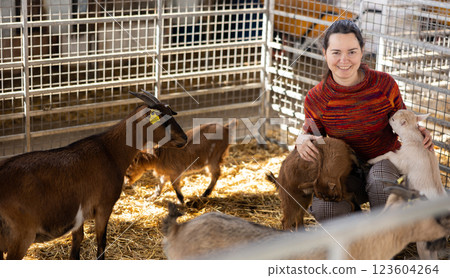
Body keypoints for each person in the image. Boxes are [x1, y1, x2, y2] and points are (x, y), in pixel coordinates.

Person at [295, 19, 433, 221]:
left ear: (361, 51)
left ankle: (386, 245)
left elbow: (404, 120)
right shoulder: (317, 98)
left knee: (380, 182)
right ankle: (354, 236)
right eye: (336, 52)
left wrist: (419, 132)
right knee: (327, 209)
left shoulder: (384, 84)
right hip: (344, 167)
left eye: (352, 51)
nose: (344, 60)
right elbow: (313, 134)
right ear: (325, 54)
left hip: (385, 160)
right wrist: (302, 139)